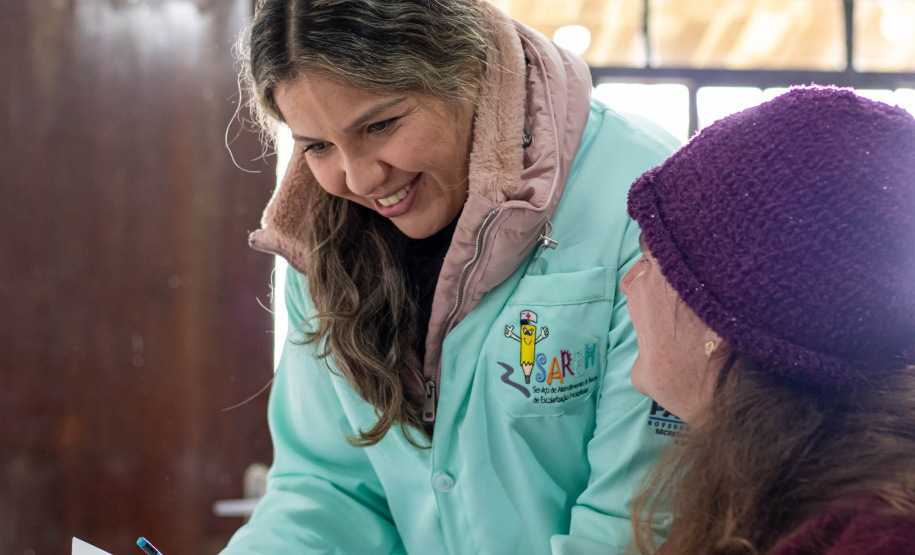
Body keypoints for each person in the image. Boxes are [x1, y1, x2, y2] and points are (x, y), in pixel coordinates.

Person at [223, 0, 681, 553]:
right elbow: (327, 490)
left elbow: (638, 522)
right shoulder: (317, 238)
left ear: (468, 66)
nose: (360, 178)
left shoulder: (649, 198)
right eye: (317, 146)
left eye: (381, 125)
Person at [620, 86, 915, 554]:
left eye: (650, 260)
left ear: (720, 321)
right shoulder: (760, 486)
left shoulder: (873, 534)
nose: (629, 283)